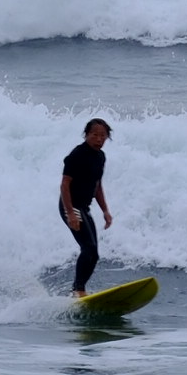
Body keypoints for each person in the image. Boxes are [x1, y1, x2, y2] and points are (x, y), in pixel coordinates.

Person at [57, 118, 114, 295]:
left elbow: (97, 186)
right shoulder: (77, 155)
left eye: (103, 136)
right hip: (71, 206)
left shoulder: (100, 157)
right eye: (94, 135)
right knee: (88, 248)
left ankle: (78, 289)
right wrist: (70, 214)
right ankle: (78, 290)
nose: (99, 139)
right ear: (87, 135)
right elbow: (64, 185)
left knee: (94, 254)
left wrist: (105, 210)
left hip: (83, 207)